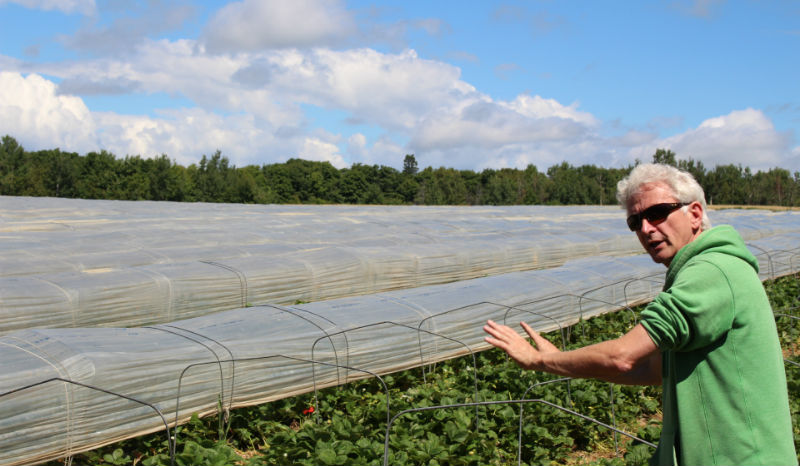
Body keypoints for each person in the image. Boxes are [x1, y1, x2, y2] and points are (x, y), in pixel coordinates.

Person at [484, 163, 797, 465]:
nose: (646, 229)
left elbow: (623, 356)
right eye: (635, 222)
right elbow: (651, 368)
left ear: (694, 214)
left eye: (657, 213)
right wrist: (561, 363)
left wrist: (540, 360)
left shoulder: (711, 272)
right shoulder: (707, 269)